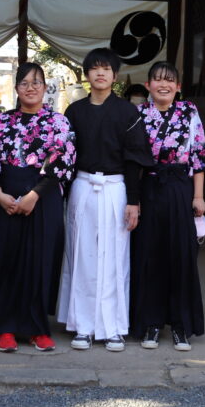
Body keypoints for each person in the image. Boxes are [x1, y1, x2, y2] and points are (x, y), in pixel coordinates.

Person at [57, 48, 153, 352]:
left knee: (114, 258)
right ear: (87, 74)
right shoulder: (74, 112)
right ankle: (82, 326)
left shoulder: (127, 112)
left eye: (106, 69)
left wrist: (133, 201)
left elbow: (135, 159)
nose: (100, 74)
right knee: (82, 256)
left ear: (115, 75)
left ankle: (113, 327)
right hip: (83, 185)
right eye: (95, 69)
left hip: (116, 188)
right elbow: (65, 158)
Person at [0, 63, 75, 353]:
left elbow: (64, 161)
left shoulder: (57, 122)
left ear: (45, 88)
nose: (31, 87)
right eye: (24, 83)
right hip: (6, 194)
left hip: (43, 195)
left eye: (36, 82)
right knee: (5, 259)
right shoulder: (1, 122)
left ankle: (37, 328)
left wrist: (35, 194)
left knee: (40, 261)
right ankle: (4, 327)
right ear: (16, 88)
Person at [130, 61, 205, 351]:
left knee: (181, 254)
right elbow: (134, 162)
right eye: (157, 80)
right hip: (149, 188)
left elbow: (199, 155)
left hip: (180, 188)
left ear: (178, 86)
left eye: (169, 80)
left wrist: (198, 196)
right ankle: (150, 324)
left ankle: (181, 325)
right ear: (149, 85)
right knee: (149, 254)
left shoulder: (189, 112)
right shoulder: (139, 113)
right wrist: (134, 200)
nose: (163, 85)